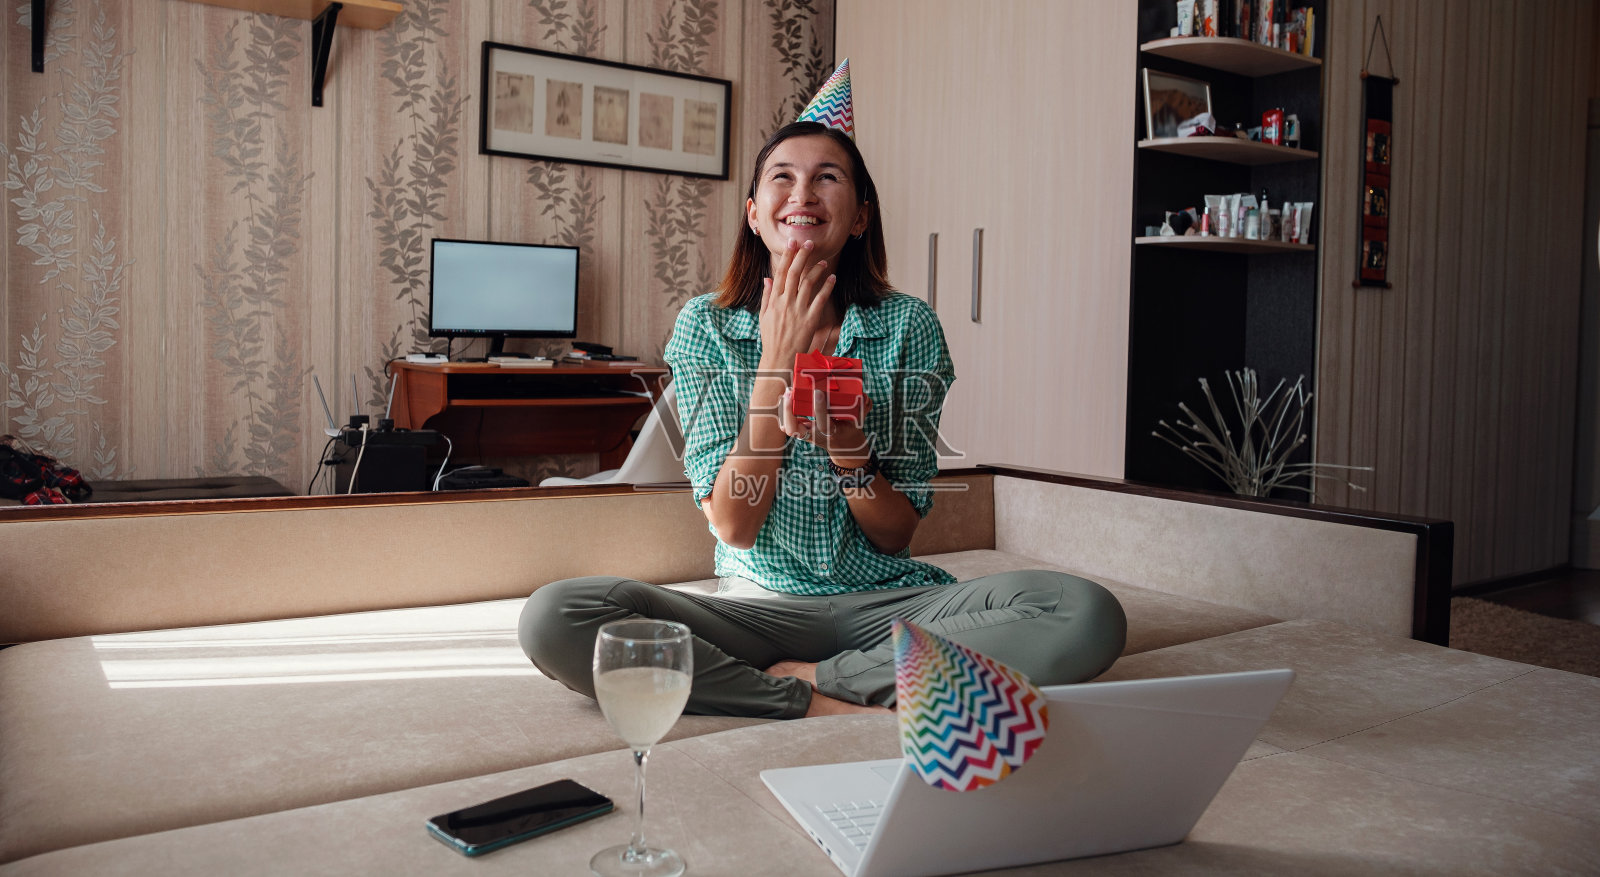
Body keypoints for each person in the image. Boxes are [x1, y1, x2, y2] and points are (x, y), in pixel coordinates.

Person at [519, 76, 1125, 720]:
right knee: (556, 615)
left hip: (889, 604)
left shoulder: (906, 326)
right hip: (754, 609)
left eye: (828, 177)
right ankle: (824, 697)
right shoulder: (709, 325)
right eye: (782, 177)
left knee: (1084, 613)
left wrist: (850, 453)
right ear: (754, 213)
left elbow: (895, 535)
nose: (802, 194)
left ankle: (821, 678)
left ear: (861, 215)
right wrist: (777, 362)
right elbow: (734, 524)